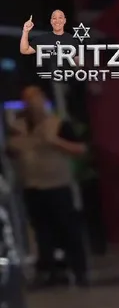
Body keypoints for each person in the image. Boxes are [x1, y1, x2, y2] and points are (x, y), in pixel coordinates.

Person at [7, 85, 90, 287]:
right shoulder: (18, 127)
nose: (31, 104)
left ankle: (80, 271)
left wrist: (55, 142)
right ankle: (50, 272)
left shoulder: (59, 124)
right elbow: (12, 151)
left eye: (35, 99)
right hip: (32, 187)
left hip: (57, 185)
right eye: (27, 100)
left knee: (68, 229)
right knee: (42, 232)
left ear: (43, 100)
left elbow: (80, 149)